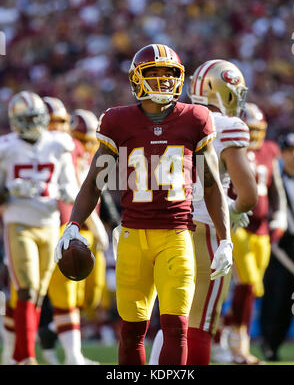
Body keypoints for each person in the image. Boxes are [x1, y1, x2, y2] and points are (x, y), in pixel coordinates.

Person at [54, 44, 233, 365]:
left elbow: (211, 183)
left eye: (170, 73)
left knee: (176, 327)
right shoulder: (118, 121)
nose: (163, 80)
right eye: (154, 72)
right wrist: (74, 223)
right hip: (132, 236)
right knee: (131, 330)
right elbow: (95, 180)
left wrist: (225, 239)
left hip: (177, 236)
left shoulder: (196, 118)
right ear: (137, 78)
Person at [148, 59, 257, 365]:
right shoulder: (227, 125)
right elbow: (248, 196)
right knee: (199, 323)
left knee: (173, 319)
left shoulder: (173, 118)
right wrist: (234, 212)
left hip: (165, 227)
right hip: (204, 228)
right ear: (225, 90)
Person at [0, 91, 78, 365]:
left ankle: (17, 354)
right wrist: (8, 188)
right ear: (15, 120)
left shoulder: (58, 144)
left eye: (36, 119)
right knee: (27, 289)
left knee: (38, 293)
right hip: (19, 223)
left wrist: (69, 192)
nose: (32, 125)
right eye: (27, 119)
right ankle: (25, 356)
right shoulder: (6, 147)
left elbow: (70, 183)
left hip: (49, 225)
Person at [40, 98, 109, 365]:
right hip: (63, 226)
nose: (88, 145)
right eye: (84, 138)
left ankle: (52, 332)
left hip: (84, 227)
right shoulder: (68, 147)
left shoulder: (82, 150)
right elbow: (78, 190)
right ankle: (72, 355)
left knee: (90, 296)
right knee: (65, 294)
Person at [220, 102, 287, 364]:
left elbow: (275, 187)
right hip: (239, 227)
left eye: (259, 129)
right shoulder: (231, 148)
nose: (256, 135)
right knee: (247, 285)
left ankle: (223, 335)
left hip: (261, 231)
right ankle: (240, 346)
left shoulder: (270, 150)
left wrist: (279, 215)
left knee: (252, 289)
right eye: (251, 129)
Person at [259, 132, 294, 361]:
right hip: (282, 245)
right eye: (288, 151)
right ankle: (270, 345)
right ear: (282, 155)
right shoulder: (277, 178)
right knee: (279, 298)